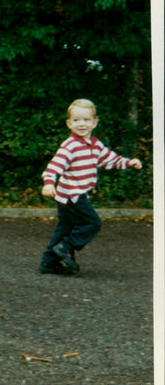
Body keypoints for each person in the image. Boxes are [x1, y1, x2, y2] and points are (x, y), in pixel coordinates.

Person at [39, 98, 143, 274]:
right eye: (77, 120)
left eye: (86, 120)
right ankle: (66, 247)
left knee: (65, 227)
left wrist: (128, 163)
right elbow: (54, 166)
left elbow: (110, 160)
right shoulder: (69, 146)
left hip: (70, 195)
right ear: (69, 123)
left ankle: (49, 263)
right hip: (72, 195)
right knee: (92, 223)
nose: (82, 124)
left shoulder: (95, 144)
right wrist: (49, 183)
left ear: (94, 122)